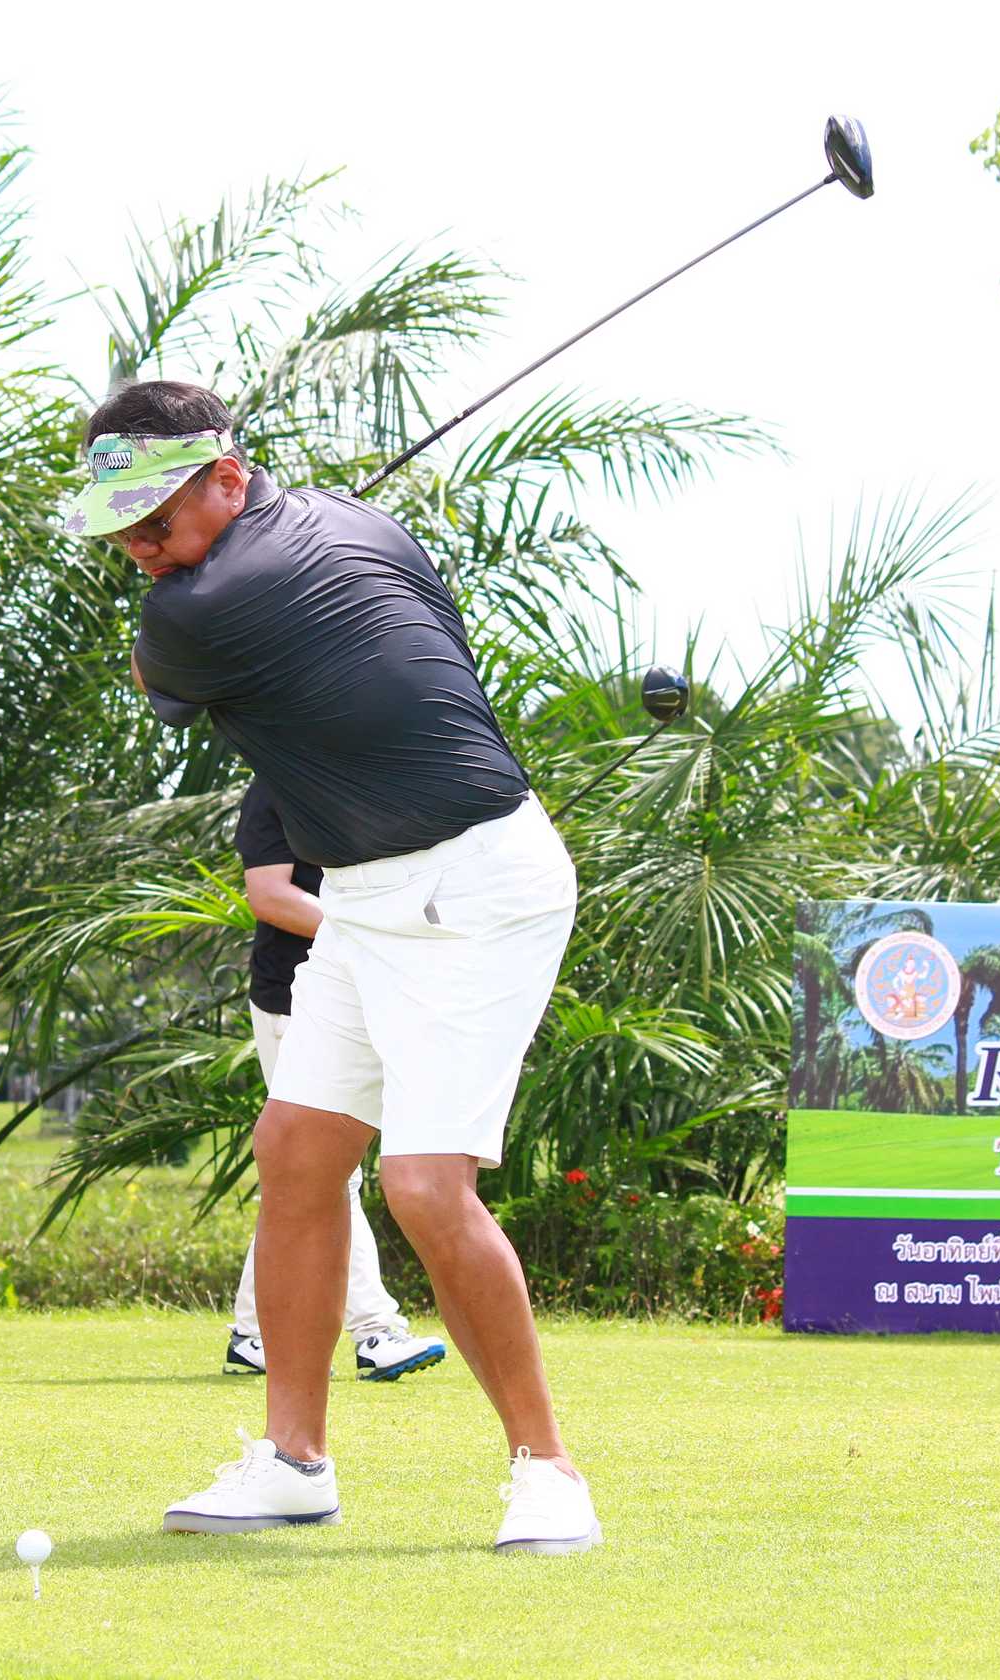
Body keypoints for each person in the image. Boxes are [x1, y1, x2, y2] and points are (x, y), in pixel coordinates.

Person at [61, 380, 600, 1556]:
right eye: (121, 528)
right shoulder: (363, 523)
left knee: (424, 1187)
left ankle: (548, 1471)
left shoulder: (192, 614)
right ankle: (293, 1462)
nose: (139, 547)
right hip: (363, 893)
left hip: (472, 887)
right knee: (298, 1152)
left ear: (229, 478)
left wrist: (215, 578)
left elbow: (158, 681)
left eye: (157, 518)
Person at [225, 776, 445, 1383]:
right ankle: (376, 1331)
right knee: (325, 1170)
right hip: (293, 1000)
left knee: (306, 1174)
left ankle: (254, 1334)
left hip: (367, 993)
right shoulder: (278, 783)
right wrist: (375, 932)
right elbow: (270, 894)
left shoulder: (372, 778)